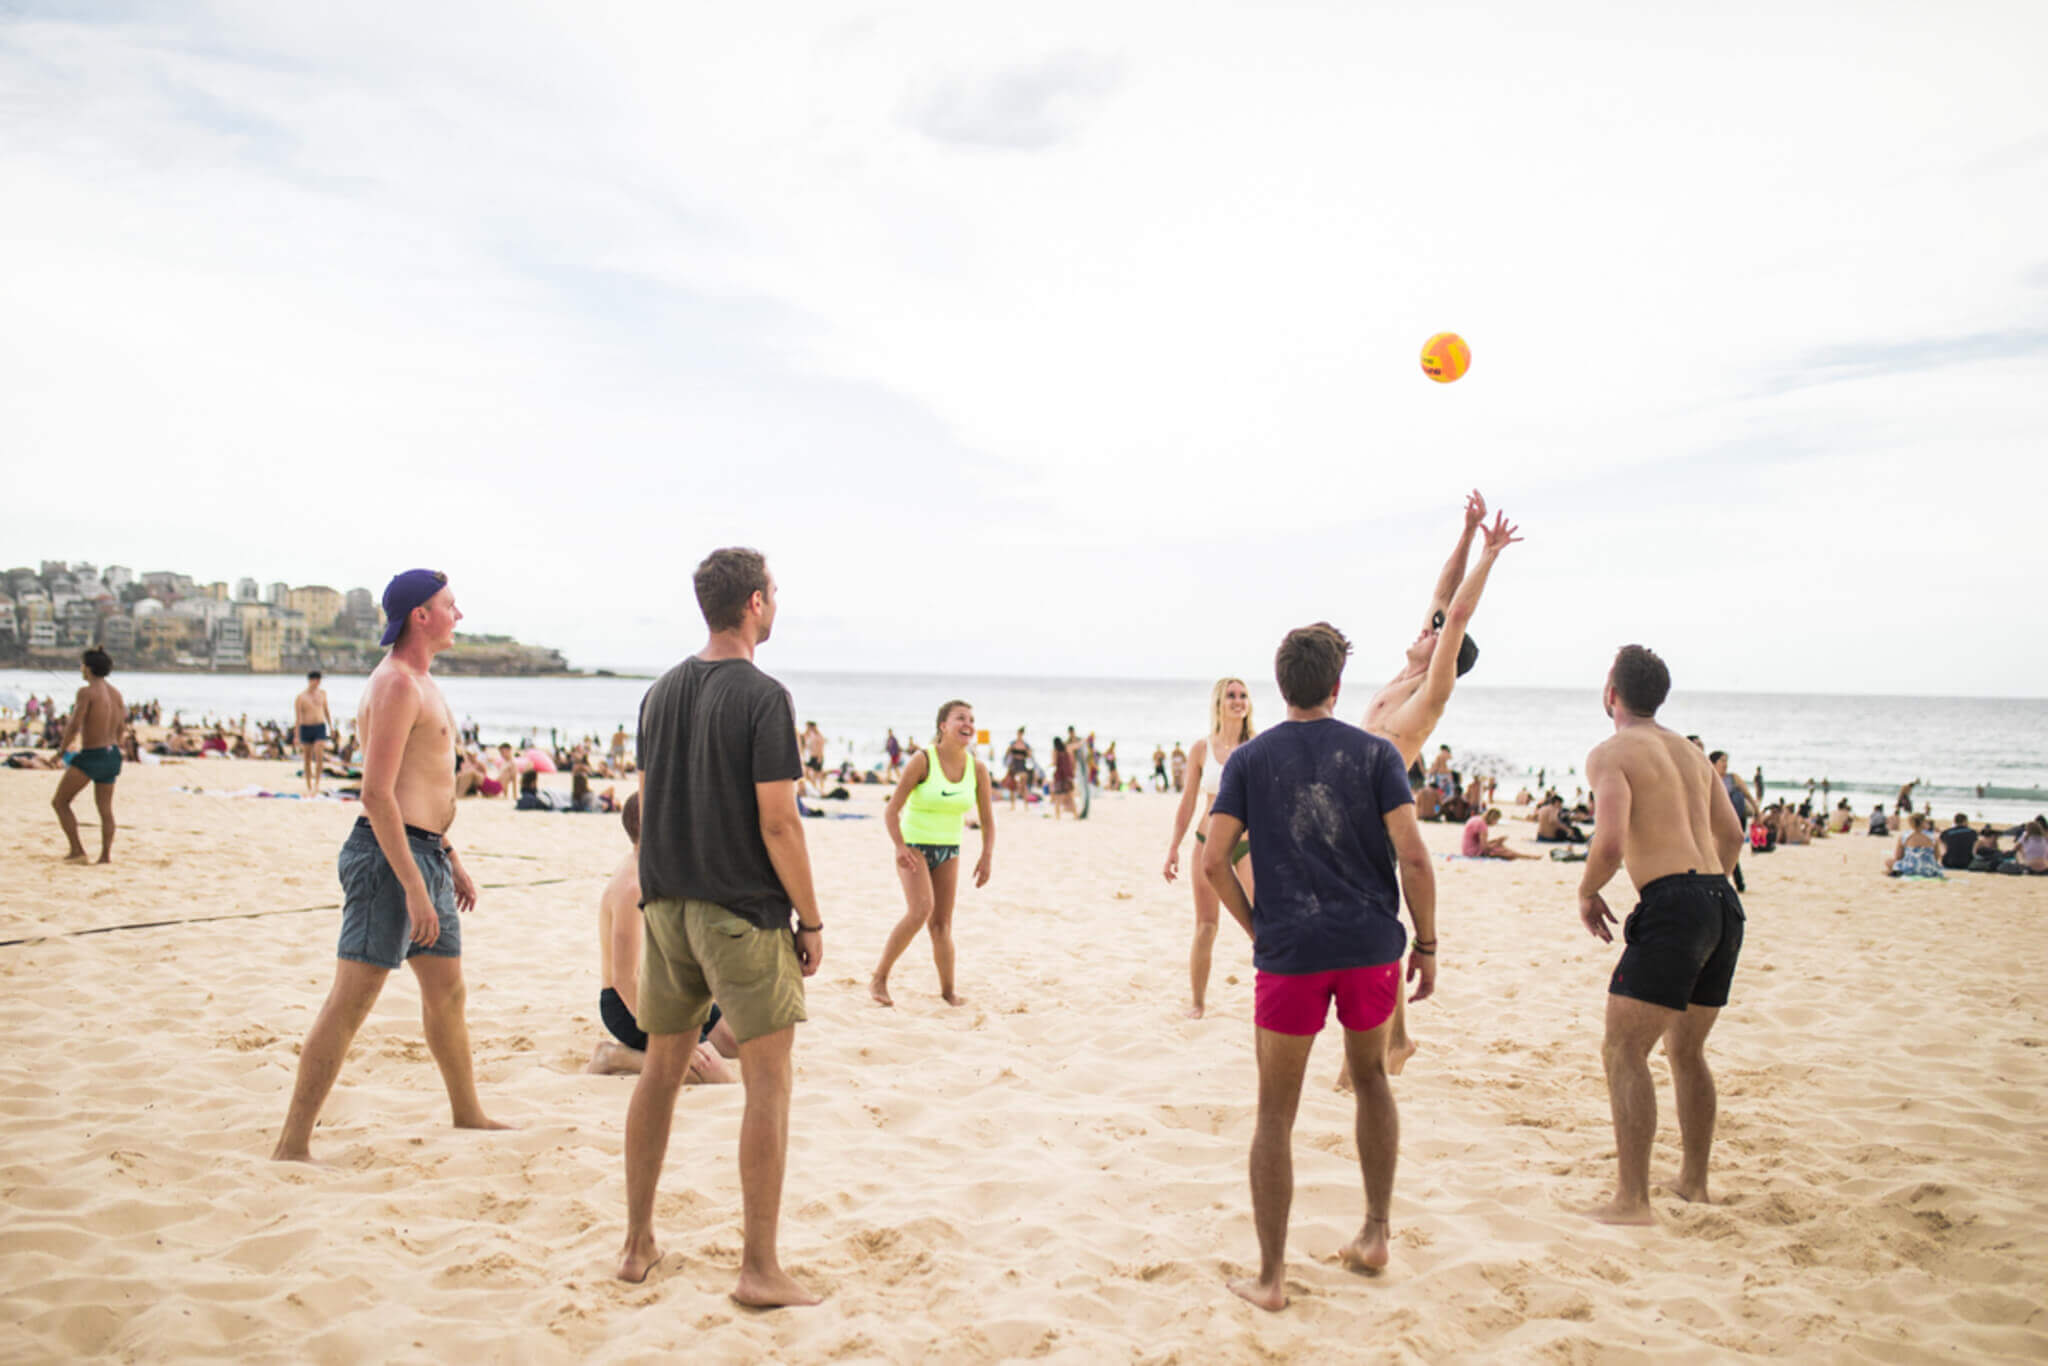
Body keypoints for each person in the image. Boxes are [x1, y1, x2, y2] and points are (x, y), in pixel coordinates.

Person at [1202, 622, 1436, 1310]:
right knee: (1370, 1080)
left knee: (1275, 1112)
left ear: (1281, 687)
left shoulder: (1251, 760)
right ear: (1338, 686)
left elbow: (1214, 861)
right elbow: (1416, 857)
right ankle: (1375, 1234)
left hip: (1292, 953)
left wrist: (1256, 929)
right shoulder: (1376, 754)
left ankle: (1271, 1280)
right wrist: (1427, 944)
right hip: (1369, 948)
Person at [618, 547, 822, 1307]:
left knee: (659, 1073)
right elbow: (780, 822)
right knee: (768, 1084)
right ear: (757, 604)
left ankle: (637, 1242)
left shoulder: (660, 692)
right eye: (775, 593)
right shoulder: (764, 696)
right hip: (739, 911)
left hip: (665, 904)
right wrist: (811, 915)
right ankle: (759, 1269)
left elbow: (646, 802)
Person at [273, 570, 507, 1162]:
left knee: (447, 993)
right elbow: (377, 795)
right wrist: (412, 885)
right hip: (388, 859)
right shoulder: (398, 685)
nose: (460, 614)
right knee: (350, 1002)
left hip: (424, 851)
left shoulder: (424, 681)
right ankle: (292, 1144)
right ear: (421, 616)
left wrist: (447, 858)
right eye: (451, 605)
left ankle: (467, 1113)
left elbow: (417, 785)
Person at [1344, 493, 1520, 1082]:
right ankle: (1396, 1040)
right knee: (1368, 928)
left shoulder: (1431, 691)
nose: (1423, 629)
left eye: (1432, 633)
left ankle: (1382, 1047)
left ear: (1443, 650)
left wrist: (1491, 556)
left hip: (1375, 819)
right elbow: (1443, 597)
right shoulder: (1405, 673)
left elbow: (1458, 614)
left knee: (1371, 930)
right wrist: (1467, 531)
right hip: (1352, 811)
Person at [1572, 645, 1746, 1225]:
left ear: (1611, 692)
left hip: (1676, 904)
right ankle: (1693, 1183)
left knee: (1624, 1049)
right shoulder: (1693, 754)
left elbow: (1612, 840)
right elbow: (1734, 835)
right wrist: (1705, 888)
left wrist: (1588, 889)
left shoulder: (1611, 753)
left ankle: (1632, 1201)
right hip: (1723, 903)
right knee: (1686, 1050)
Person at [587, 793, 737, 1080]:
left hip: (668, 990)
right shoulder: (632, 888)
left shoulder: (653, 866)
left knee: (737, 1041)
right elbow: (623, 980)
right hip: (629, 1004)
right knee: (717, 1077)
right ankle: (614, 1056)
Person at [871, 700, 997, 1007]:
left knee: (941, 925)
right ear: (943, 726)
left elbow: (988, 819)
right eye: (960, 718)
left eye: (971, 719)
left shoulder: (977, 769)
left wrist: (986, 856)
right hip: (914, 847)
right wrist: (900, 846)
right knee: (920, 910)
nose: (968, 724)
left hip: (949, 849)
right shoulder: (922, 760)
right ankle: (879, 979)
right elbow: (891, 810)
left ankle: (948, 992)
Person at [1162, 678, 1259, 1019]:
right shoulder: (1201, 749)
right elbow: (1188, 802)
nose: (1238, 701)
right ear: (1218, 703)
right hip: (1205, 844)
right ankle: (1198, 1002)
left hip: (1247, 847)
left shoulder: (1258, 747)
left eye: (1243, 695)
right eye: (1231, 695)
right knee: (1206, 925)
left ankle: (1272, 992)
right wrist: (1173, 847)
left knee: (1264, 922)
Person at [52, 648, 125, 864]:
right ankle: (105, 857)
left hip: (92, 755)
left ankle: (77, 850)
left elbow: (74, 725)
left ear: (89, 667)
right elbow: (121, 727)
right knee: (105, 810)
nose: (81, 669)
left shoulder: (86, 692)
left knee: (60, 802)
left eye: (82, 665)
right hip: (112, 755)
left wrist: (61, 751)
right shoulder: (116, 693)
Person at [1708, 751, 1754, 893]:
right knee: (1721, 848)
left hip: (1737, 818)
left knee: (1730, 847)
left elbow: (1747, 795)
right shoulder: (1709, 778)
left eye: (1726, 761)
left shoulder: (1733, 778)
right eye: (1722, 761)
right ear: (1713, 763)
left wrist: (1758, 813)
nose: (1725, 764)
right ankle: (1734, 882)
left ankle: (1730, 881)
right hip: (1718, 819)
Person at [294, 671, 335, 797]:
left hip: (320, 727)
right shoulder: (301, 697)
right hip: (306, 727)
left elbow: (326, 710)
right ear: (310, 681)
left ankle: (317, 784)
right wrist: (297, 735)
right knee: (307, 758)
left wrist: (331, 727)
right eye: (316, 680)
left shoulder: (322, 694)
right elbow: (298, 717)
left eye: (319, 681)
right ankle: (308, 785)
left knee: (319, 755)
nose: (318, 683)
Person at [1884, 811, 1943, 877]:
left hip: (1909, 869)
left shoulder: (1904, 836)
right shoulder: (1933, 837)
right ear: (1923, 822)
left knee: (1888, 862)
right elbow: (1937, 856)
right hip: (1928, 869)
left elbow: (1898, 857)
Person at [1462, 807, 1534, 859]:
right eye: (1497, 820)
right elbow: (1485, 848)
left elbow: (1480, 841)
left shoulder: (1476, 819)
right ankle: (1526, 856)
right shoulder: (1482, 826)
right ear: (1493, 819)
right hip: (1473, 852)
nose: (1496, 823)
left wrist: (1496, 841)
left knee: (1498, 844)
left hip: (1467, 849)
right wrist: (1498, 842)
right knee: (1501, 849)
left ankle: (1525, 856)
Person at [1049, 735, 1078, 818]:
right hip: (1067, 776)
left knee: (1058, 797)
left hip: (1059, 776)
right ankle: (1075, 815)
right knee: (1070, 796)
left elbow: (1054, 763)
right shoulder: (1066, 749)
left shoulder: (1055, 751)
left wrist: (1050, 765)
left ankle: (1057, 816)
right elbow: (1072, 761)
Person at [1005, 728, 1035, 808]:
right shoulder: (1017, 744)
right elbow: (1007, 754)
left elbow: (1030, 756)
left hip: (1019, 765)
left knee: (1021, 786)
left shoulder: (1021, 744)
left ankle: (1023, 805)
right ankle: (1016, 805)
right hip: (1016, 765)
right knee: (1014, 786)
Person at [800, 720, 827, 796]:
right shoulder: (811, 735)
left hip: (818, 757)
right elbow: (803, 738)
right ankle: (815, 787)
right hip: (812, 757)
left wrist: (820, 757)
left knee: (818, 774)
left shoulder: (819, 736)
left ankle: (820, 789)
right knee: (807, 771)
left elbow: (821, 748)